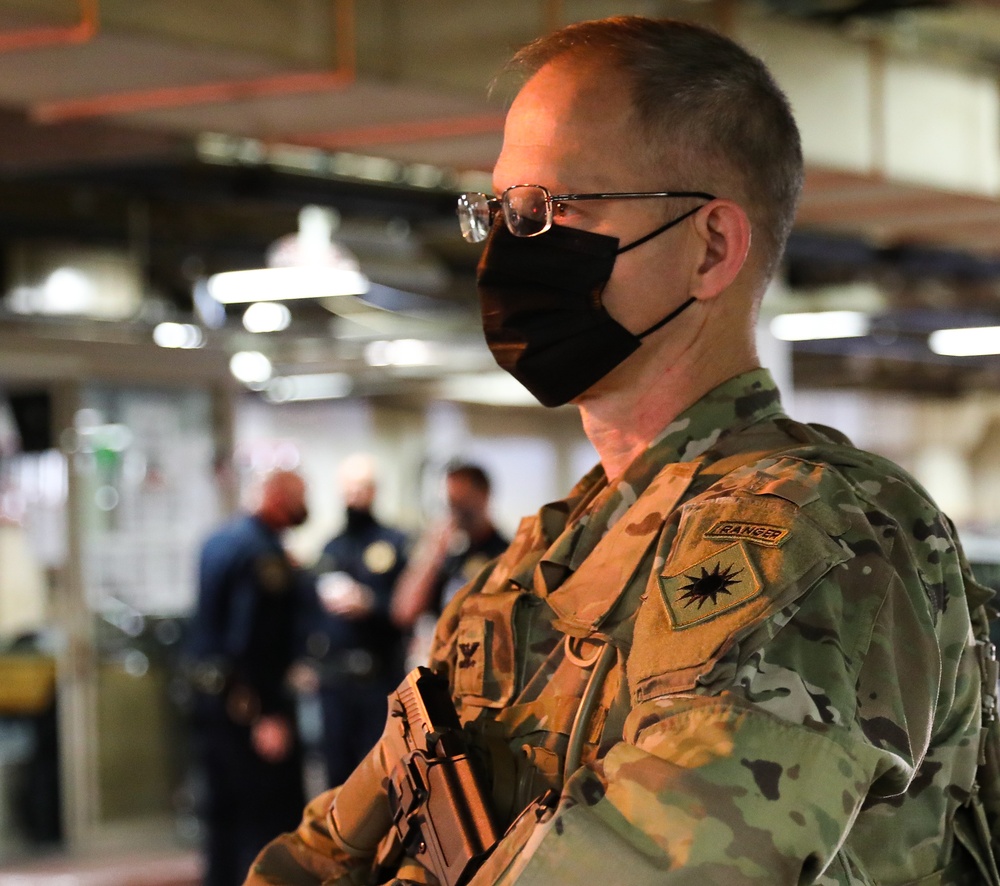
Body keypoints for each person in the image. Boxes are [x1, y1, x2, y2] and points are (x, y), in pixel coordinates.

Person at [246, 16, 1000, 885]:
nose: (506, 248)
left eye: (551, 208)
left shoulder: (803, 540)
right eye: (498, 208)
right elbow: (336, 846)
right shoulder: (545, 555)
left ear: (711, 247)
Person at [186, 469, 311, 886]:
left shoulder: (218, 541)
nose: (305, 506)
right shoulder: (262, 554)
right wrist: (268, 713)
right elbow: (252, 639)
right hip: (250, 707)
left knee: (221, 820)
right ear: (277, 498)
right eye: (299, 496)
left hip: (212, 702)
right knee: (267, 823)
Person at [305, 453, 409, 788]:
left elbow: (407, 607)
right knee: (337, 776)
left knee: (381, 776)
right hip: (335, 683)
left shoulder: (395, 543)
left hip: (379, 677)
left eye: (360, 488)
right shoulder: (331, 548)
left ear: (373, 491)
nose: (353, 496)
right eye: (348, 489)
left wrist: (370, 603)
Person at [390, 461, 509, 631]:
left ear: (484, 495)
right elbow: (405, 612)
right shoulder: (449, 556)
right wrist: (432, 553)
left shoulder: (507, 553)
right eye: (451, 503)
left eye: (463, 501)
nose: (456, 513)